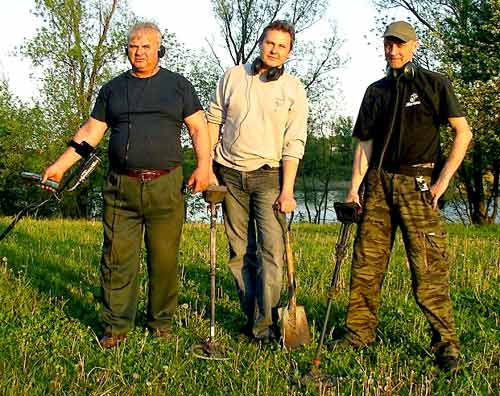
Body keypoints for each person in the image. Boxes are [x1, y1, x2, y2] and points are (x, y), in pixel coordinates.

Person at [42, 22, 210, 348]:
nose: (139, 51)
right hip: (122, 188)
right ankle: (116, 327)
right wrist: (60, 166)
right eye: (134, 46)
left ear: (159, 50)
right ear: (127, 50)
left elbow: (199, 129)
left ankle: (160, 323)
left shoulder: (178, 86)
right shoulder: (113, 89)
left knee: (163, 260)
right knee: (117, 259)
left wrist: (204, 167)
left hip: (166, 186)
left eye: (147, 46)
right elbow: (91, 131)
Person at [342, 21, 472, 371]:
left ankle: (446, 345)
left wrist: (442, 181)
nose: (393, 51)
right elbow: (365, 143)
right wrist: (355, 188)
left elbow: (463, 132)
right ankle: (358, 334)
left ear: (413, 46)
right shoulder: (376, 91)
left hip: (418, 186)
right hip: (378, 186)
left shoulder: (434, 84)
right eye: (388, 44)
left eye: (400, 45)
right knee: (366, 265)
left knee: (429, 269)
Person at [206, 20, 308, 343]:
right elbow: (213, 119)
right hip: (229, 174)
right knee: (240, 253)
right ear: (261, 43)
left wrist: (288, 189)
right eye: (269, 43)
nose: (274, 50)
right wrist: (207, 170)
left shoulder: (293, 89)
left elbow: (294, 141)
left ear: (289, 53)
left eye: (281, 46)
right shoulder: (233, 77)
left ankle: (266, 325)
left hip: (270, 177)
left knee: (271, 253)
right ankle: (253, 321)